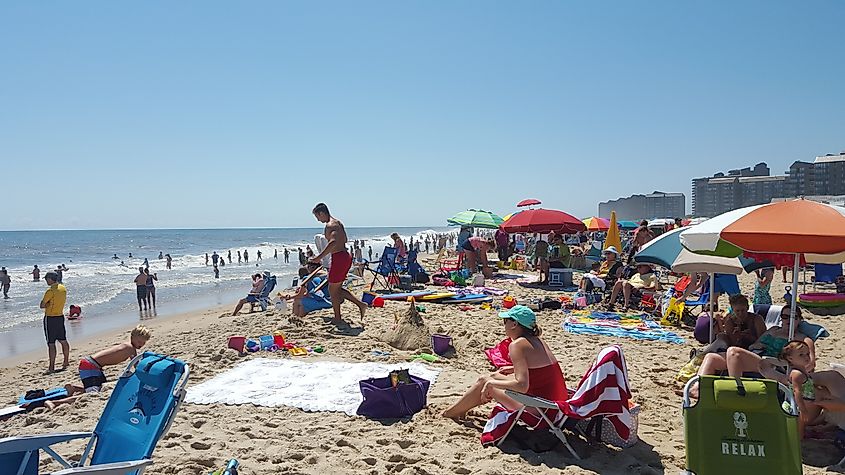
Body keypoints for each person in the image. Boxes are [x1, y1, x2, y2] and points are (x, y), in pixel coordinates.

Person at [442, 306, 565, 419]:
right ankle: (462, 408)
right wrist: (513, 368)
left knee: (485, 381)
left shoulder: (517, 345)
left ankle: (451, 413)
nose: (504, 325)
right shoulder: (538, 341)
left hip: (542, 411)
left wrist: (490, 384)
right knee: (495, 376)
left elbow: (522, 386)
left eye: (505, 321)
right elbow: (543, 368)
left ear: (514, 324)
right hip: (558, 406)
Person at [45, 325, 152, 409]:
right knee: (92, 395)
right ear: (132, 337)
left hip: (94, 367)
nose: (141, 345)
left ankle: (74, 387)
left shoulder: (129, 347)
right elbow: (136, 366)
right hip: (90, 366)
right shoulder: (130, 349)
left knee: (101, 389)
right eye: (139, 342)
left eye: (143, 343)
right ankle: (54, 402)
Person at [760, 340, 845, 436]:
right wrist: (802, 408)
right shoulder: (797, 374)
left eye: (808, 354)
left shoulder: (801, 370)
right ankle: (800, 436)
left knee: (828, 398)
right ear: (790, 358)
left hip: (809, 399)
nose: (806, 357)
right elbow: (797, 392)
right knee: (800, 423)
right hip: (805, 403)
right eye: (801, 355)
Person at [309, 203, 367, 326]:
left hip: (339, 258)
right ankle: (361, 305)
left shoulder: (330, 225)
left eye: (317, 217)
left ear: (322, 213)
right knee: (336, 289)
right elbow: (344, 240)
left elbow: (333, 242)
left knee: (332, 289)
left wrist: (319, 257)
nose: (318, 220)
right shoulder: (338, 223)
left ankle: (338, 317)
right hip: (343, 256)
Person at [41, 271, 69, 374]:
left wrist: (47, 304)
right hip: (60, 316)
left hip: (50, 318)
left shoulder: (50, 291)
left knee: (51, 343)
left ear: (49, 279)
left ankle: (51, 367)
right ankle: (66, 361)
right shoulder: (63, 288)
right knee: (63, 340)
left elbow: (42, 305)